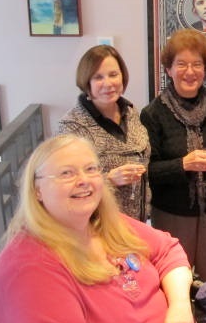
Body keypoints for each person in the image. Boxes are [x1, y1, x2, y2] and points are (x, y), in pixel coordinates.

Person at [0, 134, 200, 323]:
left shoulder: (104, 223)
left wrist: (180, 309)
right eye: (66, 173)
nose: (83, 180)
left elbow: (168, 250)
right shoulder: (27, 269)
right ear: (37, 190)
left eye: (90, 169)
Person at [140, 28, 206, 288]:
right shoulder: (153, 114)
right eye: (181, 64)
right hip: (171, 212)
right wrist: (183, 164)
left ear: (205, 69)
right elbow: (148, 171)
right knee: (175, 282)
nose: (190, 71)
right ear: (169, 69)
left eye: (197, 64)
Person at [57, 45, 150, 222]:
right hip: (96, 224)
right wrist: (109, 179)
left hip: (136, 222)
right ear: (87, 82)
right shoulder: (72, 127)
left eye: (113, 75)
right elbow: (66, 184)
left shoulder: (131, 112)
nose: (108, 83)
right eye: (98, 77)